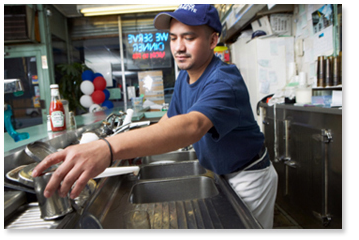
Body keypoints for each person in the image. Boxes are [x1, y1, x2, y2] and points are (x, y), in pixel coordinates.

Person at [33, 4, 277, 228]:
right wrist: (134, 149)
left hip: (248, 177)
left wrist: (108, 148)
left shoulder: (224, 81)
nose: (178, 47)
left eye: (189, 38)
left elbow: (192, 125)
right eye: (173, 38)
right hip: (222, 173)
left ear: (213, 40)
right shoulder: (186, 75)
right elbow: (169, 121)